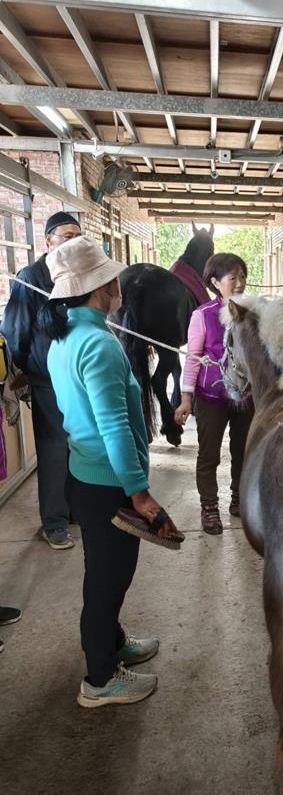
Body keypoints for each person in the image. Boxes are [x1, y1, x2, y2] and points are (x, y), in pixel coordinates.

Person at [40, 235, 178, 708]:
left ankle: (114, 643)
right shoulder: (99, 344)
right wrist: (139, 493)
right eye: (112, 278)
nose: (119, 284)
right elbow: (115, 425)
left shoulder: (66, 337)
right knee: (107, 580)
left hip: (86, 476)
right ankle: (99, 679)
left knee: (105, 572)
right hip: (107, 484)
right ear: (100, 287)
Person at [1, 212, 82, 550]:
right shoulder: (30, 277)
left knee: (80, 445)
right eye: (65, 235)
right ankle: (54, 523)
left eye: (77, 235)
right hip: (47, 378)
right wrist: (22, 371)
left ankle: (74, 509)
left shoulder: (80, 275)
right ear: (48, 238)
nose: (72, 241)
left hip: (79, 377)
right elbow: (15, 329)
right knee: (53, 449)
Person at [175, 253, 254, 535]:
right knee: (209, 455)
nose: (240, 283)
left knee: (243, 451)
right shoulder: (203, 316)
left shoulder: (254, 313)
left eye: (243, 276)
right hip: (211, 397)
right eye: (233, 278)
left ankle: (238, 499)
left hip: (246, 398)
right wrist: (186, 398)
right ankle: (209, 507)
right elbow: (193, 358)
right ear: (215, 282)